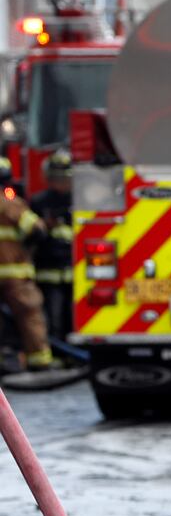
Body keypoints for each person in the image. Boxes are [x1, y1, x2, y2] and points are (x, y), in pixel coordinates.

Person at [0, 158, 53, 372]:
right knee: (30, 315)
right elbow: (37, 229)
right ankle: (39, 361)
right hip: (15, 275)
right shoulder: (10, 203)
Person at [30, 149, 74, 342]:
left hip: (74, 273)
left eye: (64, 178)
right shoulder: (40, 202)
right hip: (49, 272)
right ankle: (57, 354)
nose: (60, 183)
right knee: (52, 318)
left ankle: (74, 355)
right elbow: (31, 236)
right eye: (56, 178)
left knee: (72, 317)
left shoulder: (80, 201)